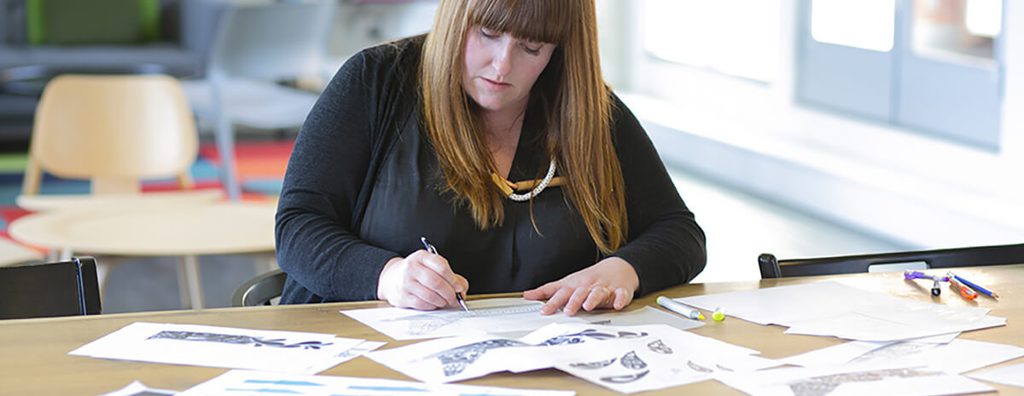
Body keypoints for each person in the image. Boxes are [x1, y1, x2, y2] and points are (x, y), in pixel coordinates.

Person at [275, 0, 706, 315]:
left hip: (533, 367)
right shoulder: (375, 82)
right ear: (456, 17)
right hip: (358, 358)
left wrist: (625, 269)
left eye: (532, 49)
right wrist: (387, 276)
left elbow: (680, 234)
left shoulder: (587, 110)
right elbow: (298, 227)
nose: (502, 66)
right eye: (487, 34)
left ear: (560, 50)